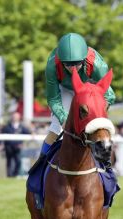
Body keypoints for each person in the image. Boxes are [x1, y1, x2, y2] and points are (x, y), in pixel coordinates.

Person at [31, 32, 116, 171]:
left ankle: (107, 166)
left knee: (100, 128)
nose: (73, 68)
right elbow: (53, 98)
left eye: (77, 64)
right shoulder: (52, 65)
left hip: (89, 88)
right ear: (61, 61)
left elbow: (109, 95)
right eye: (68, 65)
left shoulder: (97, 65)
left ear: (84, 59)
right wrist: (63, 118)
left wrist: (97, 114)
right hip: (64, 89)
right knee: (56, 128)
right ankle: (40, 166)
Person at [2, 112, 30, 177]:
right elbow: (2, 135)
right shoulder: (7, 127)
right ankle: (9, 175)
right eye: (13, 116)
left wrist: (32, 133)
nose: (14, 118)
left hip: (17, 147)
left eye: (16, 117)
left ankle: (15, 175)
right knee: (9, 162)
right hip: (9, 147)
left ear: (19, 118)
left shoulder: (21, 127)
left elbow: (28, 132)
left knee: (18, 161)